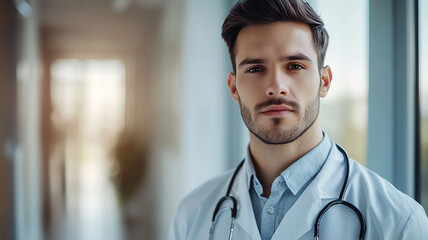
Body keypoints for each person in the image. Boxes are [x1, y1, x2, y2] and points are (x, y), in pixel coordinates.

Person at [168, 0, 428, 239]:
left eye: (294, 66)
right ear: (234, 88)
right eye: (255, 68)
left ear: (324, 82)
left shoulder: (400, 222)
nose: (276, 86)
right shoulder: (192, 215)